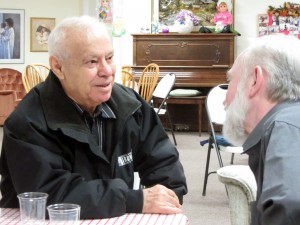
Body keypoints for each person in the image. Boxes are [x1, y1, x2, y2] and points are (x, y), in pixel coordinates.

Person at [0, 16, 187, 219]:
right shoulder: (28, 122)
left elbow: (165, 166)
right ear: (58, 67)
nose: (107, 71)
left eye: (109, 58)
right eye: (92, 61)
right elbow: (49, 195)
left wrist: (167, 195)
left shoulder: (131, 105)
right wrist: (132, 199)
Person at [223, 34, 300, 225]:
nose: (225, 99)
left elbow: (290, 206)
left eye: (231, 81)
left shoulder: (284, 126)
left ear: (255, 81)